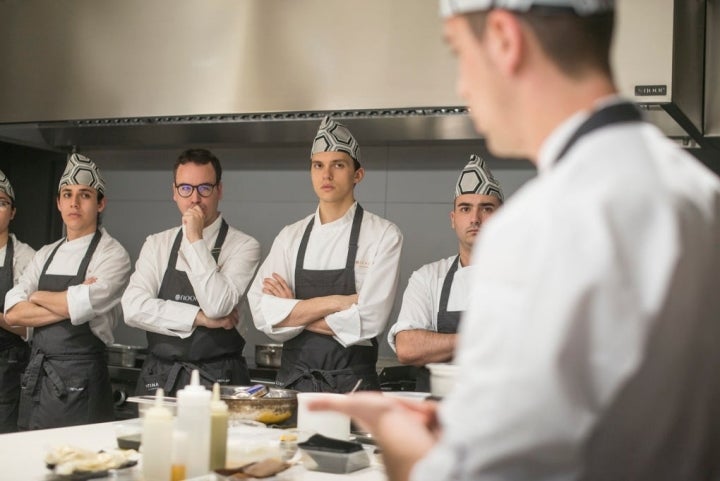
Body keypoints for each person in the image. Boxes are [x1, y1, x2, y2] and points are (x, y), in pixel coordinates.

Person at [309, 1, 720, 480]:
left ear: (505, 39)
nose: (462, 87)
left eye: (458, 53)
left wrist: (412, 454)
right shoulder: (702, 194)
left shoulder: (539, 225)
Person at [248, 116, 403, 393]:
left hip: (353, 389)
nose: (326, 175)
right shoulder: (290, 236)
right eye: (318, 165)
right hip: (293, 387)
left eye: (338, 165)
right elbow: (261, 313)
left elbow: (370, 321)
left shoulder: (383, 235)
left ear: (358, 175)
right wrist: (338, 302)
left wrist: (294, 310)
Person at [5, 153, 131, 430]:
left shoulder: (112, 255)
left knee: (78, 465)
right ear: (58, 203)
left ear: (100, 203)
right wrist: (69, 302)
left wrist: (36, 296)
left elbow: (78, 306)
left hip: (81, 380)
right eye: (67, 194)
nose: (74, 202)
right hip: (37, 377)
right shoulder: (45, 253)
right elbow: (13, 312)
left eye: (85, 195)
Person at [122, 148, 260, 396]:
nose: (195, 198)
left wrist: (195, 238)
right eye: (186, 188)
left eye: (204, 188)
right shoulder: (157, 243)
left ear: (219, 190)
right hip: (160, 379)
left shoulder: (244, 245)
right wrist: (199, 318)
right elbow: (132, 308)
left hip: (218, 381)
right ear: (174, 192)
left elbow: (218, 305)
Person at [388, 154, 503, 392]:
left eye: (486, 208)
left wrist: (440, 344)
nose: (475, 218)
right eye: (465, 208)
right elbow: (407, 348)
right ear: (453, 219)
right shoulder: (428, 277)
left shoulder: (525, 275)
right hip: (438, 413)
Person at [0, 171, 36, 433]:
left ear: (13, 212)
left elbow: (29, 327)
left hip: (7, 373)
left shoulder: (27, 258)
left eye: (1, 203)